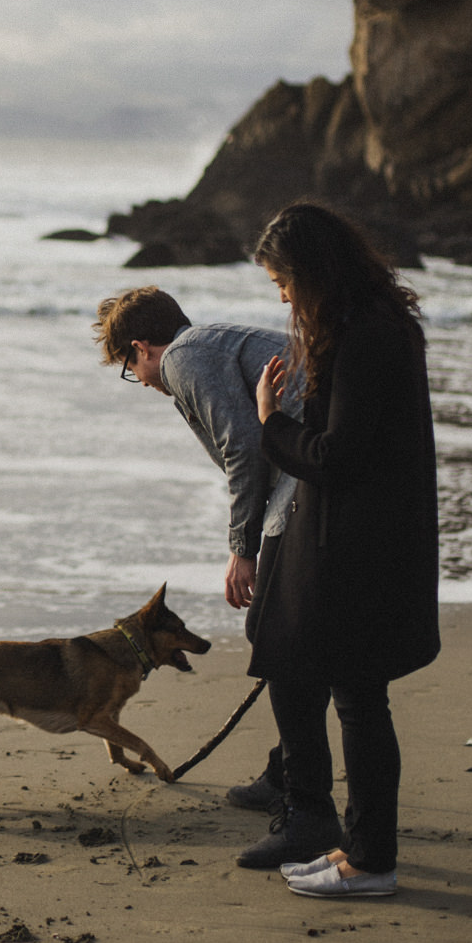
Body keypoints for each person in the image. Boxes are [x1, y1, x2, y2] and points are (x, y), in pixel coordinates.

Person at [240, 201, 439, 899]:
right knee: (360, 698)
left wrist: (272, 422)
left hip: (362, 549)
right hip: (376, 541)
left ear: (311, 271)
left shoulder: (363, 339)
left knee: (359, 702)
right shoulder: (379, 325)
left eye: (283, 283)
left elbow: (339, 455)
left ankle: (370, 861)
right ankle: (357, 847)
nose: (284, 297)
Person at [91, 285, 299, 810]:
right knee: (291, 637)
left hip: (312, 476)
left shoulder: (184, 357)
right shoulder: (213, 341)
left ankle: (291, 780)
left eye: (129, 368)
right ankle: (291, 772)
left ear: (142, 348)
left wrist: (241, 548)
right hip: (322, 466)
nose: (139, 380)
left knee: (273, 631)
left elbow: (244, 446)